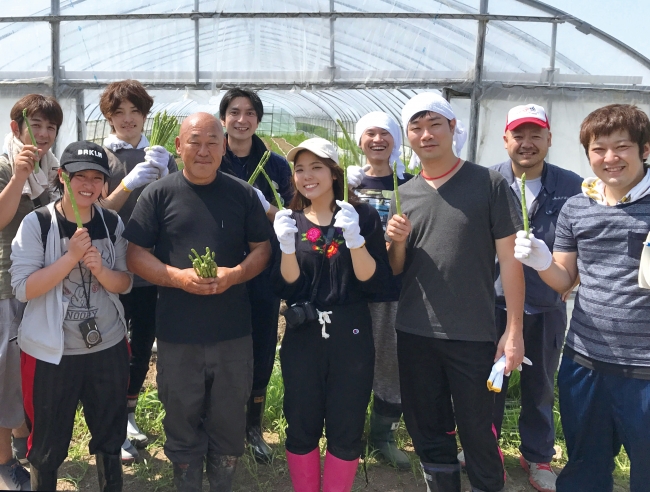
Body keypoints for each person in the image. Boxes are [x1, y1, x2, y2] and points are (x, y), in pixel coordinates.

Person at [123, 112, 271, 492]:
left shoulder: (241, 194)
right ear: (178, 146)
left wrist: (234, 275)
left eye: (211, 142)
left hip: (232, 333)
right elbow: (135, 254)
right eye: (194, 141)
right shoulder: (158, 194)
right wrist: (176, 277)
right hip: (177, 333)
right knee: (181, 417)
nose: (203, 151)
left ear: (223, 147)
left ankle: (221, 483)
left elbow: (262, 249)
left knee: (228, 420)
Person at [386, 92, 525, 492]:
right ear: (407, 136)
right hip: (414, 332)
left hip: (472, 334)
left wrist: (513, 331)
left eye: (435, 124)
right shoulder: (406, 193)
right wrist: (394, 242)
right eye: (416, 126)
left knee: (478, 432)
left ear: (452, 129)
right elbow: (398, 268)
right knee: (428, 429)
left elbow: (511, 263)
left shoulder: (489, 184)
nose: (426, 134)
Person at [514, 104, 650, 492]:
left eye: (621, 146)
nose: (609, 158)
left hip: (645, 369)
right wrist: (541, 261)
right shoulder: (578, 205)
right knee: (585, 466)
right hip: (584, 360)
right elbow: (564, 280)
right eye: (597, 149)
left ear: (645, 149)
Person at [466, 104, 581, 492]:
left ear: (549, 139)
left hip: (546, 306)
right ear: (505, 140)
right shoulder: (486, 181)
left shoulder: (572, 187)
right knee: (489, 381)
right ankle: (484, 445)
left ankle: (537, 456)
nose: (527, 143)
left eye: (536, 135)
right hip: (492, 304)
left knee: (540, 385)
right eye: (519, 135)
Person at [10, 141, 132, 491]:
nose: (88, 185)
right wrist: (69, 259)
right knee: (47, 444)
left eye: (97, 178)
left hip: (106, 346)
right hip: (51, 353)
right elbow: (23, 288)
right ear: (62, 176)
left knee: (110, 436)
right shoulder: (38, 223)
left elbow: (124, 283)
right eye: (80, 176)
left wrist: (102, 272)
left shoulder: (111, 223)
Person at [271, 137, 390, 492]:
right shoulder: (289, 220)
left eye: (316, 167)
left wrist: (355, 240)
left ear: (334, 174)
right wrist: (286, 247)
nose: (307, 176)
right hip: (304, 333)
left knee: (346, 423)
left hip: (351, 333)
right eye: (300, 169)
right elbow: (289, 286)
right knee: (301, 420)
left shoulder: (361, 216)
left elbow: (372, 280)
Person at [98, 79, 178, 463]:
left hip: (151, 266)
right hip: (112, 266)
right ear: (109, 118)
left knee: (142, 342)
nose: (128, 119)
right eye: (119, 113)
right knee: (115, 343)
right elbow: (96, 214)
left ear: (145, 115)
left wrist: (165, 175)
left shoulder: (162, 155)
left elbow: (179, 207)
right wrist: (129, 183)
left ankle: (128, 415)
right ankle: (111, 420)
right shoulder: (102, 157)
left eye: (135, 111)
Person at [218, 88, 293, 462]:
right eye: (234, 112)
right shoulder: (212, 157)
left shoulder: (276, 164)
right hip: (222, 266)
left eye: (249, 113)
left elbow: (294, 214)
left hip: (265, 270)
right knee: (220, 344)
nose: (241, 120)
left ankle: (253, 426)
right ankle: (218, 424)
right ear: (224, 119)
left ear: (258, 121)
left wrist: (269, 209)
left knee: (262, 346)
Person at [0, 94, 63, 491]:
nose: (42, 134)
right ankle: (4, 461)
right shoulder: (6, 166)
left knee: (30, 369)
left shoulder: (53, 170)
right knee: (4, 375)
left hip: (40, 285)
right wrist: (19, 177)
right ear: (16, 129)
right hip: (5, 286)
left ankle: (24, 432)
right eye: (34, 125)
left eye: (50, 127)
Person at [351, 112, 413, 469]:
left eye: (385, 134)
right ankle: (349, 433)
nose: (377, 140)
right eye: (370, 134)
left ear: (396, 141)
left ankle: (383, 435)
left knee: (391, 364)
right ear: (360, 141)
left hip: (393, 289)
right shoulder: (347, 183)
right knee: (352, 363)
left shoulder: (410, 183)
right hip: (353, 291)